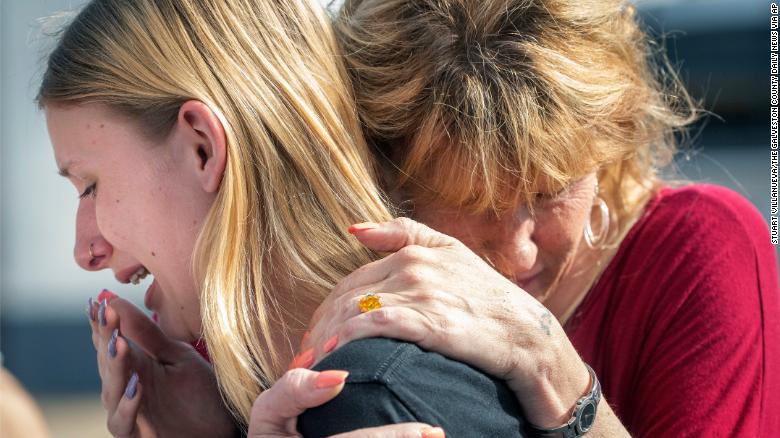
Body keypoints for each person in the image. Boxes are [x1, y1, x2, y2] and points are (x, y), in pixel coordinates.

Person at [38, 0, 529, 436]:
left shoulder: (366, 400)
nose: (85, 252)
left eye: (90, 186)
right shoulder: (348, 388)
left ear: (202, 150)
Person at [294, 0, 780, 436]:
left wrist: (548, 362)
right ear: (385, 174)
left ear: (611, 141)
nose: (520, 250)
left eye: (552, 191)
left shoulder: (700, 249)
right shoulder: (339, 278)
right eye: (474, 204)